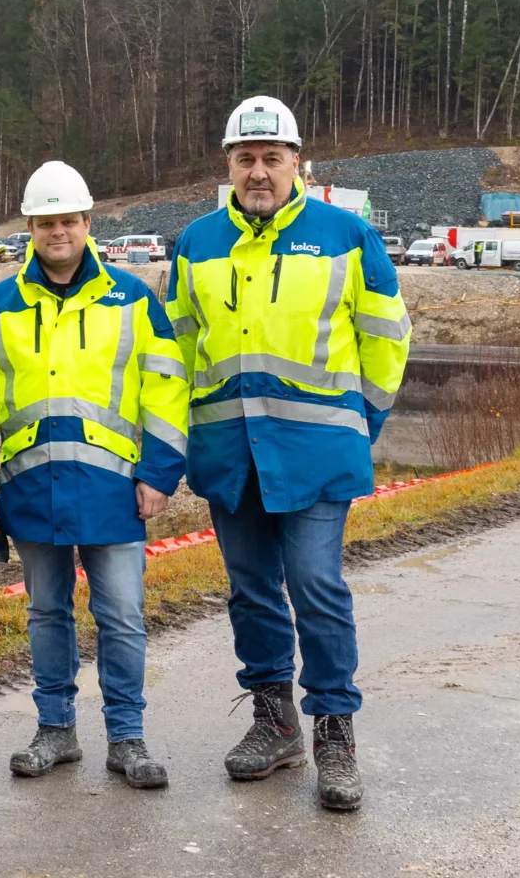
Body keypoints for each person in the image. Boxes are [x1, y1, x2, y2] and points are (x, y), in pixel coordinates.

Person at [169, 96, 409, 813]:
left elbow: (387, 338)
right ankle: (274, 722)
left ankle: (335, 728)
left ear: (298, 162)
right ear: (229, 164)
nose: (259, 171)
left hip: (316, 450)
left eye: (273, 157)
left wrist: (360, 422)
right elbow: (177, 350)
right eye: (246, 158)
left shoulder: (345, 235)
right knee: (250, 590)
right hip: (228, 451)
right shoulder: (196, 243)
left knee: (314, 583)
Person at [0, 160, 188, 789]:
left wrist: (160, 474)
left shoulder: (134, 299)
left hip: (114, 490)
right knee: (47, 613)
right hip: (31, 489)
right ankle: (55, 730)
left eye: (69, 220)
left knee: (120, 614)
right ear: (30, 227)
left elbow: (165, 392)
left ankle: (127, 738)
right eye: (46, 222)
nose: (58, 232)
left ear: (88, 223)